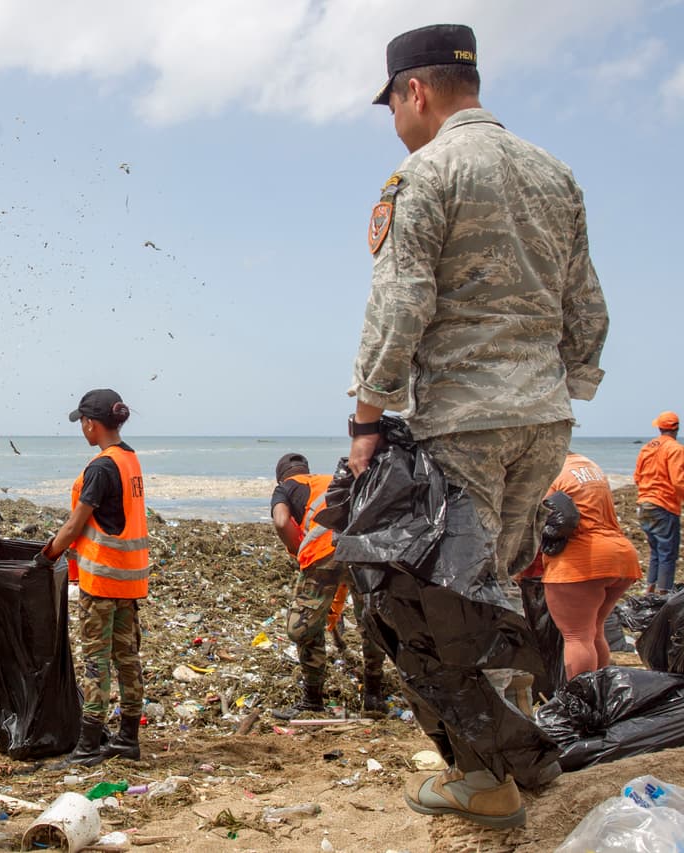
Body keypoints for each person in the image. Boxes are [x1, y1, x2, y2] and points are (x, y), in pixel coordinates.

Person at [347, 24, 608, 827]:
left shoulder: (424, 173)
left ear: (413, 92)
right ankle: (506, 748)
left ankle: (488, 776)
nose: (394, 119)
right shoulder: (553, 172)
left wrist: (367, 411)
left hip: (460, 422)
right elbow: (586, 307)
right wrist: (569, 380)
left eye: (393, 103)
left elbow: (401, 303)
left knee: (444, 604)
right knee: (500, 586)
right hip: (543, 420)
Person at [39, 389, 148, 766]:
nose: (81, 428)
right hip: (129, 580)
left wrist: (46, 555)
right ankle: (128, 738)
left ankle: (87, 745)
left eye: (82, 422)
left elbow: (74, 526)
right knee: (127, 657)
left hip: (101, 580)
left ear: (91, 423)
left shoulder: (101, 467)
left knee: (95, 661)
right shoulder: (129, 459)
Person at [269, 453, 387, 720]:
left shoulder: (285, 488)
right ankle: (373, 696)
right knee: (370, 622)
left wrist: (297, 549)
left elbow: (280, 520)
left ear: (281, 476)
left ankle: (312, 700)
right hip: (363, 552)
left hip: (323, 556)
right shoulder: (331, 480)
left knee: (304, 627)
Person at [538, 452, 642, 681]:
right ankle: (600, 696)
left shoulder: (549, 469)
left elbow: (544, 520)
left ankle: (581, 703)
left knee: (576, 636)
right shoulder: (586, 464)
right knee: (593, 632)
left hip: (582, 560)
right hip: (620, 554)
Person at [633, 411, 684, 594]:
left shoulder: (647, 447)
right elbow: (679, 481)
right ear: (676, 428)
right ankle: (662, 596)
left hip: (644, 504)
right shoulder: (675, 449)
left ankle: (650, 591)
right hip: (663, 505)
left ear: (660, 427)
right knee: (668, 554)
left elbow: (637, 477)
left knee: (656, 552)